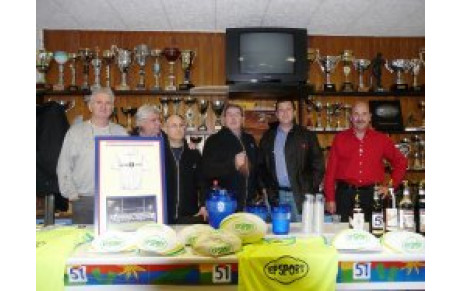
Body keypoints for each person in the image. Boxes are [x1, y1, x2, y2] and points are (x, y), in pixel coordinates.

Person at [324, 101, 408, 222]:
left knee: (373, 234)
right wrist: (330, 198)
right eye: (356, 114)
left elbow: (401, 162)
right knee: (344, 235)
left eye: (364, 114)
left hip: (373, 197)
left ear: (370, 117)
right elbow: (330, 172)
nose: (360, 118)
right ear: (351, 117)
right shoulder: (340, 139)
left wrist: (390, 186)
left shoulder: (382, 139)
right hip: (344, 197)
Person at [57, 88, 128, 224]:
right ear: (90, 106)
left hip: (114, 199)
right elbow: (64, 165)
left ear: (112, 107)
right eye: (99, 102)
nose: (103, 106)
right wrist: (71, 194)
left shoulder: (121, 133)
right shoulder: (75, 132)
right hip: (84, 200)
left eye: (108, 103)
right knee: (84, 242)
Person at [258, 99, 325, 222]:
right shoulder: (268, 137)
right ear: (277, 114)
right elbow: (261, 166)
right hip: (276, 196)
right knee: (279, 236)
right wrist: (265, 188)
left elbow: (318, 164)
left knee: (303, 235)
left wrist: (309, 187)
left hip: (301, 196)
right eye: (281, 110)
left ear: (294, 112)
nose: (285, 113)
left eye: (288, 109)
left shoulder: (307, 136)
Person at [202, 103, 259, 211]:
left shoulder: (250, 140)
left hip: (249, 203)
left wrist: (260, 191)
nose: (233, 118)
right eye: (229, 114)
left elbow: (257, 168)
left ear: (242, 119)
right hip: (224, 203)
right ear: (224, 119)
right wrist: (233, 164)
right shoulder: (214, 141)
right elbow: (207, 171)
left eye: (237, 114)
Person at [163, 114, 207, 224]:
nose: (178, 129)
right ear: (165, 129)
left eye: (181, 125)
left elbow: (202, 182)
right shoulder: (158, 153)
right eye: (174, 126)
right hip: (164, 214)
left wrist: (203, 205)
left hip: (189, 215)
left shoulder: (194, 154)